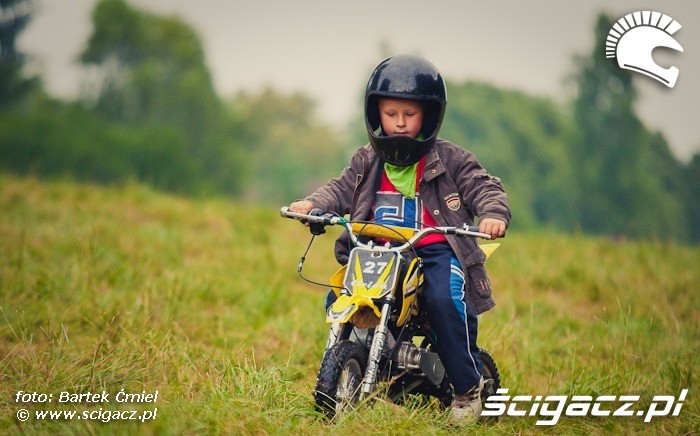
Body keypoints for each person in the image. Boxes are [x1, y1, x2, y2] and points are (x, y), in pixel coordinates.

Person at [289, 54, 510, 421]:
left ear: (429, 115)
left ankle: (468, 390)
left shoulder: (452, 159)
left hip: (437, 251)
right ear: (376, 115)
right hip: (378, 251)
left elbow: (484, 188)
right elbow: (339, 189)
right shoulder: (366, 160)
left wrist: (492, 215)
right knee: (339, 295)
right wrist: (313, 204)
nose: (401, 123)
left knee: (443, 300)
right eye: (391, 114)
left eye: (410, 114)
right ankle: (367, 359)